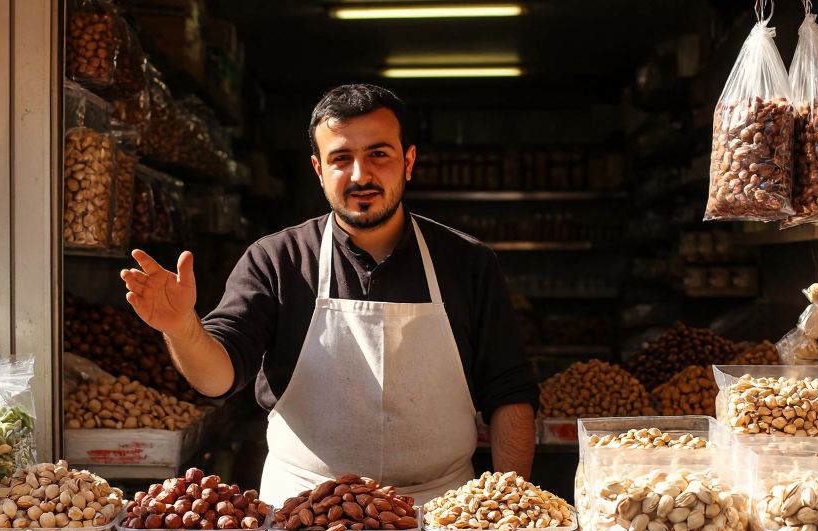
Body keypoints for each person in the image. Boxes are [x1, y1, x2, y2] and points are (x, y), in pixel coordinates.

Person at [122, 83, 538, 505]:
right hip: (304, 515)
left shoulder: (467, 263)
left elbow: (511, 394)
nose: (360, 175)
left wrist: (506, 508)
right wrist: (182, 329)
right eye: (341, 158)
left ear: (408, 162)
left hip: (441, 509)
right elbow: (218, 378)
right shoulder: (277, 260)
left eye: (379, 153)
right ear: (319, 170)